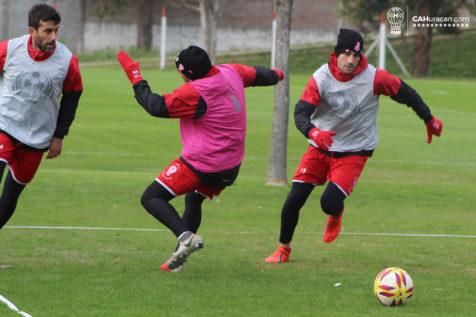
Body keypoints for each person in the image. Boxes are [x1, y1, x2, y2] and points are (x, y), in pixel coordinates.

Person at [265, 28, 443, 263]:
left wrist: (429, 119)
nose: (351, 60)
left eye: (356, 56)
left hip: (354, 151)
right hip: (320, 147)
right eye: (346, 53)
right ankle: (283, 249)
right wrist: (313, 131)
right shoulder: (321, 77)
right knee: (293, 200)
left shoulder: (374, 77)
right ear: (336, 53)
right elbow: (301, 112)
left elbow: (407, 94)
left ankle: (335, 214)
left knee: (328, 202)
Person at [117, 45, 283, 272]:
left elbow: (155, 106)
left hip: (202, 165)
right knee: (193, 199)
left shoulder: (195, 92)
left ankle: (186, 238)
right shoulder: (230, 71)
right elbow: (260, 75)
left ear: (188, 73)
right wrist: (278, 75)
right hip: (230, 168)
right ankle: (179, 258)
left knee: (151, 197)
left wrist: (134, 75)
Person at [0, 4, 82, 230]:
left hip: (37, 137)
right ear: (32, 30)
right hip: (4, 125)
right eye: (47, 31)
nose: (53, 36)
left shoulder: (67, 61)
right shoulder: (9, 49)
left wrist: (59, 135)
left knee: (11, 194)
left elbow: (71, 99)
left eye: (56, 30)